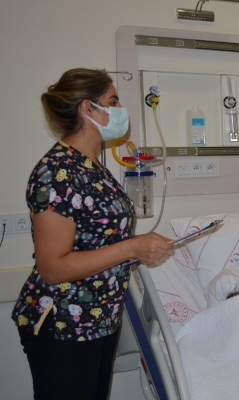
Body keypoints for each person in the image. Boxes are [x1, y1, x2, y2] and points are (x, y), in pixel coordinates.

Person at [12, 68, 173, 399]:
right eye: (113, 101)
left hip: (98, 319)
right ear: (88, 108)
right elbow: (53, 267)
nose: (120, 110)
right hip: (63, 324)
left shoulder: (93, 167)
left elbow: (103, 241)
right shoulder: (57, 171)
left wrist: (141, 249)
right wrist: (132, 248)